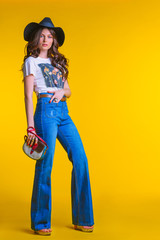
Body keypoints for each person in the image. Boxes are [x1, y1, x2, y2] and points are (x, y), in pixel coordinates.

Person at [21, 17, 94, 236]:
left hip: (63, 113)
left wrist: (63, 92)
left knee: (80, 159)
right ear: (36, 38)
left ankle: (82, 218)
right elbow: (27, 96)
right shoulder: (31, 62)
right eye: (42, 35)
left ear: (54, 40)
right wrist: (31, 127)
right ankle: (41, 222)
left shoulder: (58, 63)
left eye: (50, 36)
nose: (45, 39)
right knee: (46, 164)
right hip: (45, 112)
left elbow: (68, 90)